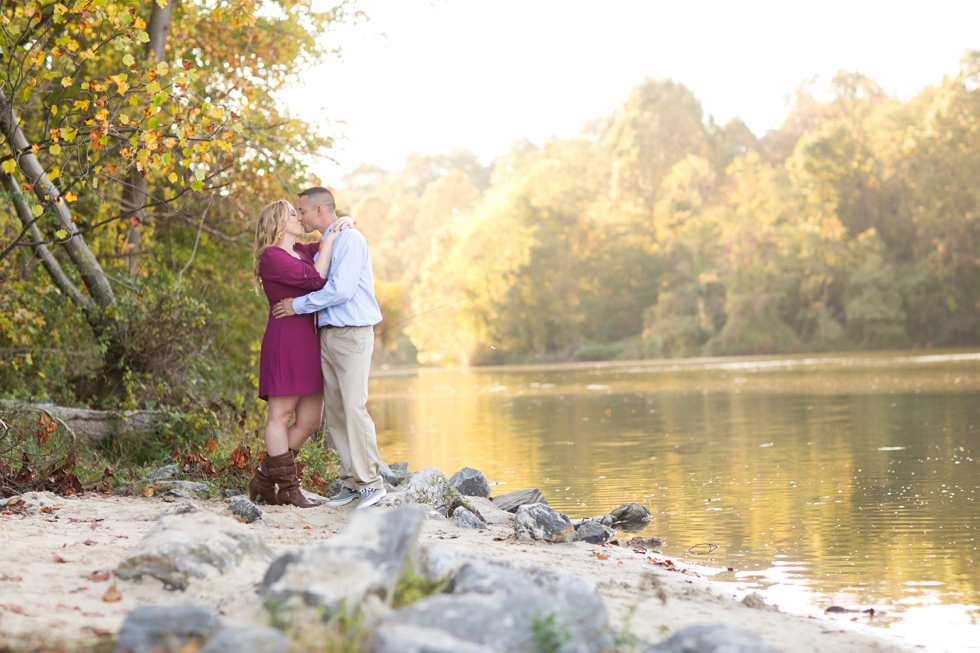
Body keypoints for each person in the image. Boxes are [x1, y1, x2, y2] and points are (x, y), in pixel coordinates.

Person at [271, 186, 386, 510]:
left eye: (302, 210)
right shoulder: (330, 240)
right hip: (328, 334)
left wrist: (298, 305)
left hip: (352, 335)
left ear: (319, 211)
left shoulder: (350, 240)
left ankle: (371, 484)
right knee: (335, 413)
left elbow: (341, 290)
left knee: (353, 407)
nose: (300, 215)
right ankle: (351, 482)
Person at [249, 199, 350, 508]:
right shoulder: (271, 257)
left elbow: (322, 247)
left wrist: (343, 223)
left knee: (309, 422)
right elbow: (317, 280)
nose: (299, 217)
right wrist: (331, 239)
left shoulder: (301, 252)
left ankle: (265, 478)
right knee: (280, 416)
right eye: (293, 213)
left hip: (308, 340)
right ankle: (290, 490)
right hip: (284, 341)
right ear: (278, 223)